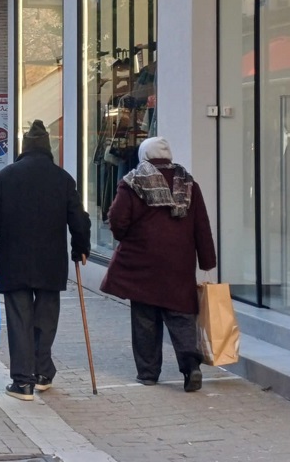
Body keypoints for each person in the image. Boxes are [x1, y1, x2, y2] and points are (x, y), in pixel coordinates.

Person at [0, 119, 91, 401]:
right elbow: (79, 219)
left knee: (19, 320)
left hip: (15, 261)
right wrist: (80, 247)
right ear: (48, 148)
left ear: (24, 148)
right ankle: (42, 373)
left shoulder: (6, 177)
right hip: (51, 262)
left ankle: (22, 382)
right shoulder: (62, 178)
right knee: (46, 320)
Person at [99, 136, 216, 392]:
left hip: (142, 263)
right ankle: (191, 367)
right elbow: (201, 224)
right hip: (179, 262)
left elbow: (117, 219)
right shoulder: (188, 182)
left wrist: (125, 238)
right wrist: (207, 259)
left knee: (145, 318)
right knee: (182, 316)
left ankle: (148, 373)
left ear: (145, 155)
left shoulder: (132, 181)